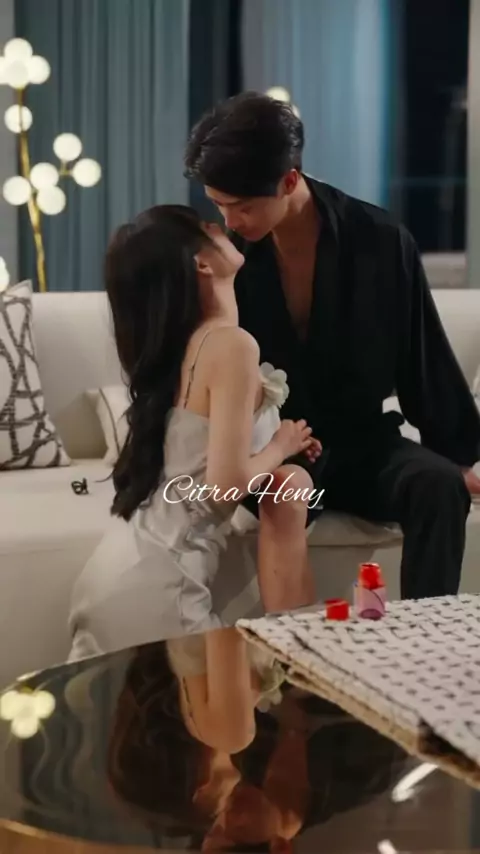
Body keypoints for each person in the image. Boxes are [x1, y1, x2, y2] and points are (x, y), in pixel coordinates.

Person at [184, 91, 480, 601]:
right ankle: (291, 643)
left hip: (365, 442)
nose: (230, 221)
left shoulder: (381, 240)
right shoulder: (227, 257)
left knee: (439, 486)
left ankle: (424, 635)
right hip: (277, 447)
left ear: (289, 180)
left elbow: (422, 356)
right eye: (219, 205)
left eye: (243, 206)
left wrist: (458, 456)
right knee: (284, 491)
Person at [68, 205, 320, 661]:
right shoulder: (231, 344)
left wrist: (280, 450)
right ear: (201, 263)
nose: (222, 226)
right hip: (162, 583)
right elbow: (224, 486)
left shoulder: (189, 346)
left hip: (120, 568)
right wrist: (279, 446)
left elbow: (201, 457)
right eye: (209, 226)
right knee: (227, 707)